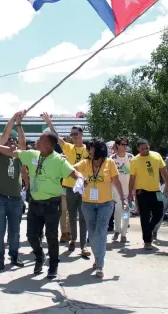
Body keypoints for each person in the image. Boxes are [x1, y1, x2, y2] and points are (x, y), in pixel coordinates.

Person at [0, 129, 85, 279]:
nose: (37, 142)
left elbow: (73, 172)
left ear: (48, 145)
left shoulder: (59, 160)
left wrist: (80, 178)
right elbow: (14, 153)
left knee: (51, 236)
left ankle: (53, 265)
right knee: (31, 236)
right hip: (35, 203)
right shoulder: (33, 155)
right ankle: (40, 256)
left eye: (40, 140)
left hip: (52, 204)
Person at [41, 113, 90, 257]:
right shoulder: (68, 147)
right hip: (69, 186)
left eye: (77, 134)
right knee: (72, 215)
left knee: (83, 216)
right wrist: (49, 122)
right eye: (72, 134)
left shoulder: (89, 149)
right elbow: (56, 137)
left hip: (84, 186)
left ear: (82, 134)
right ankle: (73, 240)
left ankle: (83, 246)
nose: (74, 136)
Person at [75, 138, 124, 278]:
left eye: (91, 148)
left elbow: (116, 181)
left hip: (106, 203)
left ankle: (100, 265)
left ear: (99, 150)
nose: (88, 150)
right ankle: (97, 257)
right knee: (92, 233)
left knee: (101, 231)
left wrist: (123, 198)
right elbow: (72, 168)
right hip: (87, 203)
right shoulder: (85, 162)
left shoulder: (110, 163)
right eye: (88, 148)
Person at [0, 111, 27, 271]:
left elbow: (23, 142)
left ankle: (14, 256)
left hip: (16, 198)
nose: (12, 141)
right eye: (9, 139)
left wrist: (19, 125)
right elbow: (5, 133)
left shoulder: (21, 154)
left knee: (15, 231)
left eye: (14, 139)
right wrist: (13, 118)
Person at [129, 139, 168, 250]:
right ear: (138, 149)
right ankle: (147, 241)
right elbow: (132, 178)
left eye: (147, 148)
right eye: (143, 149)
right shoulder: (134, 160)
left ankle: (150, 228)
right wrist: (130, 193)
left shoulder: (156, 156)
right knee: (145, 217)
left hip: (156, 191)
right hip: (142, 192)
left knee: (159, 212)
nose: (145, 150)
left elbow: (163, 171)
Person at [109, 137, 134, 243]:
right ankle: (117, 230)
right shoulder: (112, 158)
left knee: (126, 211)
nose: (124, 147)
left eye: (126, 145)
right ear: (117, 145)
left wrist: (133, 190)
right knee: (118, 210)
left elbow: (133, 174)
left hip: (127, 188)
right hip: (115, 189)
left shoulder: (130, 157)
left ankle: (123, 234)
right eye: (122, 144)